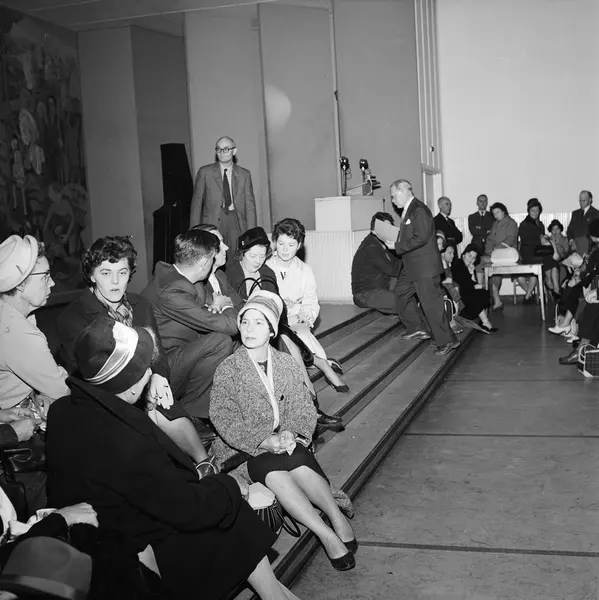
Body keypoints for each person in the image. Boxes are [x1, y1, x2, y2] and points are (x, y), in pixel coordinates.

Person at [46, 317, 302, 600]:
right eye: (145, 368)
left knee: (225, 507)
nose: (150, 372)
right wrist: (229, 487)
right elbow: (188, 509)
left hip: (96, 532)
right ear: (131, 387)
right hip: (132, 553)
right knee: (234, 514)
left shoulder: (61, 411)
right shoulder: (127, 440)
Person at [210, 292, 356, 572]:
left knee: (298, 460)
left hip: (284, 440)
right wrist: (262, 440)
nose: (249, 329)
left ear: (272, 330)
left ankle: (336, 517)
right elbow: (222, 417)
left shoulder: (286, 364)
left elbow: (303, 407)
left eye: (259, 323)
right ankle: (325, 534)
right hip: (244, 449)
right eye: (245, 322)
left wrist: (292, 433)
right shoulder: (228, 368)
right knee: (273, 468)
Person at [57, 236, 210, 466]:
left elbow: (157, 353)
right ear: (92, 275)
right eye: (105, 273)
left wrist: (158, 375)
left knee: (163, 402)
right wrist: (138, 392)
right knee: (152, 415)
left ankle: (204, 464)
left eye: (122, 272)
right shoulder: (73, 317)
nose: (115, 281)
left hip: (144, 384)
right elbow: (84, 378)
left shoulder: (141, 305)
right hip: (103, 399)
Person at [227, 227, 343, 433]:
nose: (257, 261)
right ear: (242, 253)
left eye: (262, 256)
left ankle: (310, 407)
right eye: (253, 256)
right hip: (243, 334)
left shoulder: (267, 272)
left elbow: (278, 308)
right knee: (287, 343)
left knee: (286, 340)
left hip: (270, 331)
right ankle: (311, 406)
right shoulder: (230, 272)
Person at [141, 229, 235, 423]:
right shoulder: (172, 291)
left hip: (182, 353)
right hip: (161, 371)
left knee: (235, 339)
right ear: (204, 263)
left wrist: (214, 309)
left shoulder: (184, 278)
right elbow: (230, 324)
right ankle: (194, 414)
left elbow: (210, 310)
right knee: (221, 341)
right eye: (212, 258)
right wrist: (226, 306)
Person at [267, 218, 350, 391]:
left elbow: (311, 302)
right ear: (274, 242)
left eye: (291, 245)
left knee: (300, 335)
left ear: (299, 245)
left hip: (296, 320)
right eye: (281, 244)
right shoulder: (266, 267)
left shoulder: (305, 270)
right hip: (273, 321)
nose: (285, 250)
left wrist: (306, 316)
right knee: (292, 340)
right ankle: (324, 365)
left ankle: (317, 368)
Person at [387, 180, 459, 356]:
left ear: (403, 191)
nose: (392, 201)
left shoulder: (418, 210)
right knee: (401, 292)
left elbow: (421, 237)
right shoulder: (410, 210)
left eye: (393, 196)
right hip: (413, 266)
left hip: (424, 268)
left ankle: (446, 341)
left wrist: (396, 246)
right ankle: (418, 328)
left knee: (432, 306)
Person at [0, 235, 69, 410]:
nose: (52, 283)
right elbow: (62, 390)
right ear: (21, 284)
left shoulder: (9, 312)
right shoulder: (21, 336)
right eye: (45, 276)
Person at [190, 136, 257, 250]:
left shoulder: (244, 174)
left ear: (234, 151)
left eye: (226, 149)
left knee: (236, 256)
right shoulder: (205, 172)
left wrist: (252, 234)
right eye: (218, 149)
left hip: (236, 222)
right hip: (212, 223)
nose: (222, 152)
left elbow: (250, 206)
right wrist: (193, 232)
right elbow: (196, 204)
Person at [351, 212, 403, 316]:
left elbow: (397, 264)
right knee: (404, 301)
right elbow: (392, 270)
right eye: (386, 228)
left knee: (409, 288)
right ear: (374, 230)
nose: (389, 231)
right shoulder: (370, 246)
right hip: (366, 293)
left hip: (382, 287)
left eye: (390, 227)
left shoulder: (383, 243)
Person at [479, 202, 519, 310]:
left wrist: (496, 249)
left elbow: (510, 240)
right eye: (494, 213)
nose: (496, 215)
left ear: (503, 211)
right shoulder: (495, 224)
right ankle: (494, 299)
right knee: (487, 266)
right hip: (496, 255)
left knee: (484, 263)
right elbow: (490, 239)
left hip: (508, 254)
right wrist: (489, 250)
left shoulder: (511, 223)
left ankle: (482, 289)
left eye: (498, 212)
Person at [452, 243, 496, 332]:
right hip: (461, 293)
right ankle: (465, 317)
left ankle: (485, 323)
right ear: (464, 255)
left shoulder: (466, 266)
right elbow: (464, 284)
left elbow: (469, 282)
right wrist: (475, 285)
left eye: (473, 258)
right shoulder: (458, 264)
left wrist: (471, 272)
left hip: (466, 292)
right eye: (469, 256)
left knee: (483, 294)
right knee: (482, 295)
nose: (471, 259)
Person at [517, 198, 553, 302]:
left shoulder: (540, 224)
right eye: (533, 210)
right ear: (528, 211)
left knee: (541, 268)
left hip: (538, 253)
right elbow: (525, 240)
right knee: (521, 275)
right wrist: (539, 238)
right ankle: (530, 294)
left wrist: (544, 239)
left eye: (537, 210)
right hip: (527, 253)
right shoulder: (524, 224)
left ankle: (528, 296)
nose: (535, 213)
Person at [566, 190, 599, 256]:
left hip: (589, 249)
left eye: (584, 201)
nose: (581, 203)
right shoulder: (575, 214)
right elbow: (569, 230)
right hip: (574, 249)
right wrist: (571, 241)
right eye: (580, 201)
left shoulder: (596, 214)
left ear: (590, 200)